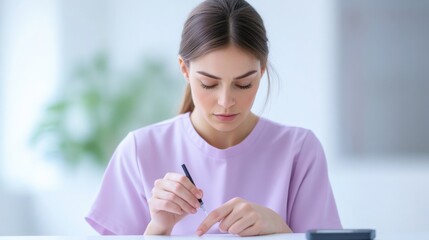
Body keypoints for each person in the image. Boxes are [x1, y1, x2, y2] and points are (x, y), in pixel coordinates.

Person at [85, 0, 342, 236]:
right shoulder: (139, 151)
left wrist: (282, 232)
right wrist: (158, 230)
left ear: (261, 71)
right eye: (209, 84)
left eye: (243, 84)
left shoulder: (299, 151)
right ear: (185, 69)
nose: (226, 101)